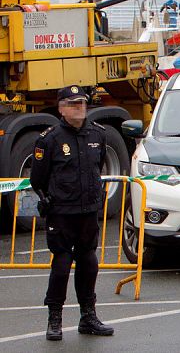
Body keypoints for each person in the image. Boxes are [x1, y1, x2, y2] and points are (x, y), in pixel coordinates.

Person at [29, 85, 115, 341]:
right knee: (62, 264)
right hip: (62, 212)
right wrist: (52, 200)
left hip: (88, 211)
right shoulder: (49, 139)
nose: (79, 108)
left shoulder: (98, 135)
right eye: (73, 104)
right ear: (62, 108)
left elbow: (96, 167)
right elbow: (38, 179)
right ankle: (54, 318)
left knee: (89, 263)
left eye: (82, 103)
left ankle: (88, 316)